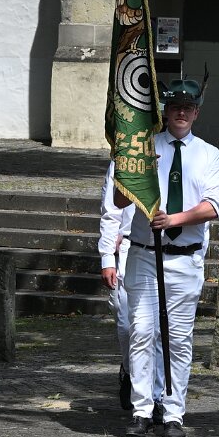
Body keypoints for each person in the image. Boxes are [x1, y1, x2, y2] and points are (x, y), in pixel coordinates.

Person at [114, 79, 219, 437]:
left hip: (184, 258)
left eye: (187, 108)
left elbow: (213, 206)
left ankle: (174, 412)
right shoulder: (144, 148)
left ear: (196, 112)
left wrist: (173, 220)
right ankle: (142, 410)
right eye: (175, 106)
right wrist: (129, 169)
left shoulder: (209, 154)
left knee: (178, 339)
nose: (181, 113)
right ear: (165, 111)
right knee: (141, 332)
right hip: (145, 254)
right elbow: (118, 200)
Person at [98, 167, 138, 412]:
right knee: (125, 325)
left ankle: (153, 394)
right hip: (128, 247)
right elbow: (110, 211)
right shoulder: (123, 157)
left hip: (163, 249)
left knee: (155, 328)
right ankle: (129, 370)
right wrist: (107, 258)